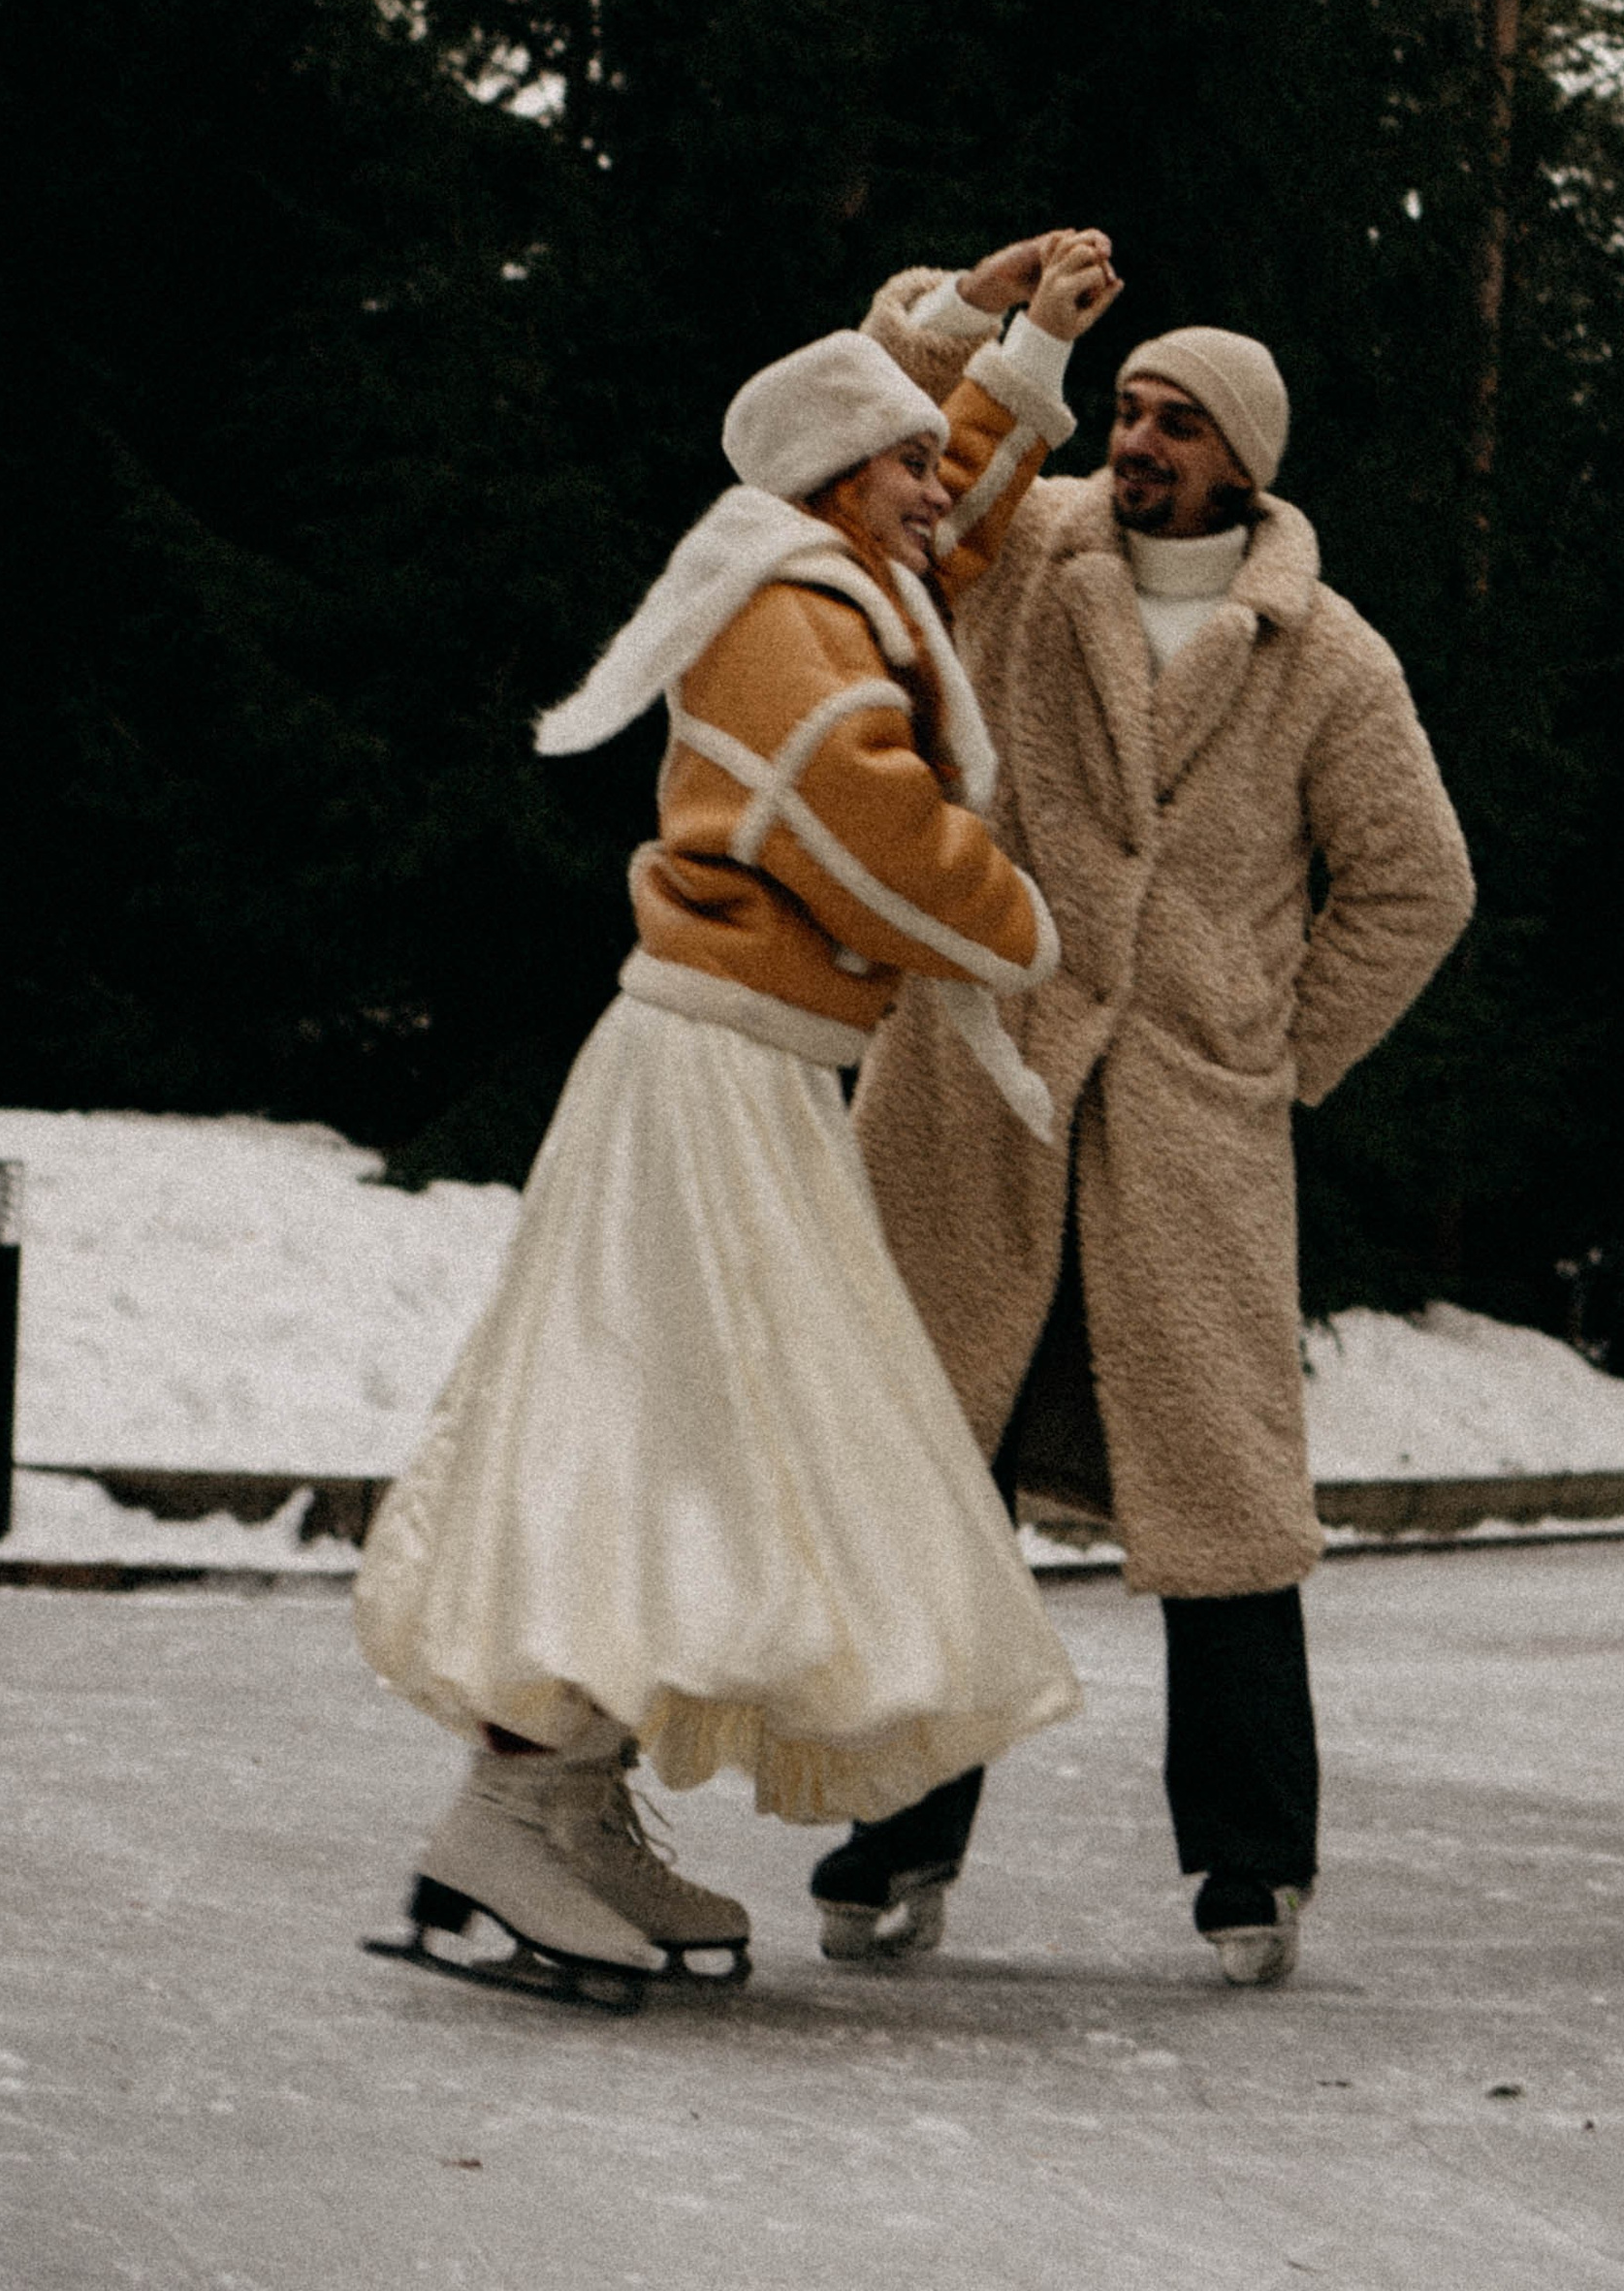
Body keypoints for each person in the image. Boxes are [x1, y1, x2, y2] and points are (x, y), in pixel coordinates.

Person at [353, 233, 1125, 2007]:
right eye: (912, 461)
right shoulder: (786, 606)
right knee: (668, 1438)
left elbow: (949, 528)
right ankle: (518, 1805)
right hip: (703, 1079)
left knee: (693, 1442)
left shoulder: (822, 567)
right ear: (842, 477)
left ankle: (564, 1804)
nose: (945, 491)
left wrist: (1018, 351)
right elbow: (854, 811)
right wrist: (1024, 924)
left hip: (750, 1069)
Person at [809, 248, 1475, 1987]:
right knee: (932, 1477)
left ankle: (1254, 1871)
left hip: (1187, 1133)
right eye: (1129, 410)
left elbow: (1418, 887)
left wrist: (1271, 1049)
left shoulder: (1327, 655)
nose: (1140, 437)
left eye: (1177, 421)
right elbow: (901, 446)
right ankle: (893, 1841)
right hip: (980, 1091)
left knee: (1229, 1514)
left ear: (1245, 456)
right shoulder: (1026, 557)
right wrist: (978, 302)